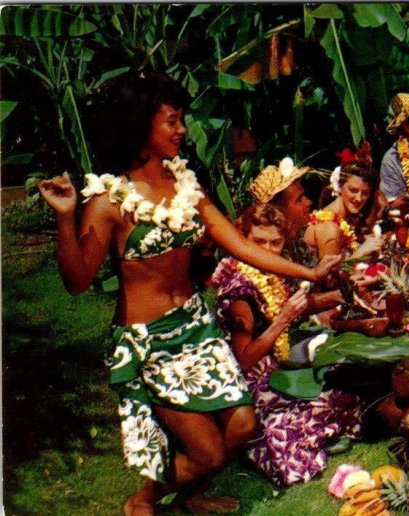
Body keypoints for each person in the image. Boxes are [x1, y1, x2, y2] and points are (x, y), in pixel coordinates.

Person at [36, 72, 340, 515]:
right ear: (141, 126)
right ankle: (142, 500)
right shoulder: (110, 202)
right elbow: (77, 280)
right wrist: (67, 218)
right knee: (208, 452)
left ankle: (191, 497)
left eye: (182, 120)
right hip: (151, 341)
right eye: (172, 121)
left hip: (197, 328)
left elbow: (241, 246)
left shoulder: (186, 188)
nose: (182, 130)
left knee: (241, 424)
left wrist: (308, 272)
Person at [211, 203, 362, 486]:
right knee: (298, 422)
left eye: (276, 243)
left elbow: (297, 304)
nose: (268, 250)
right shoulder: (238, 289)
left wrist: (343, 293)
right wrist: (282, 320)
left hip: (276, 368)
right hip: (245, 383)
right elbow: (243, 361)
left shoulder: (272, 272)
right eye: (258, 242)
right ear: (243, 240)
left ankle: (316, 429)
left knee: (345, 390)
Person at [304, 162, 379, 258]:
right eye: (353, 190)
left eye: (365, 193)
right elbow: (328, 272)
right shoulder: (329, 227)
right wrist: (363, 251)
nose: (359, 198)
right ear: (339, 186)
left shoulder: (344, 218)